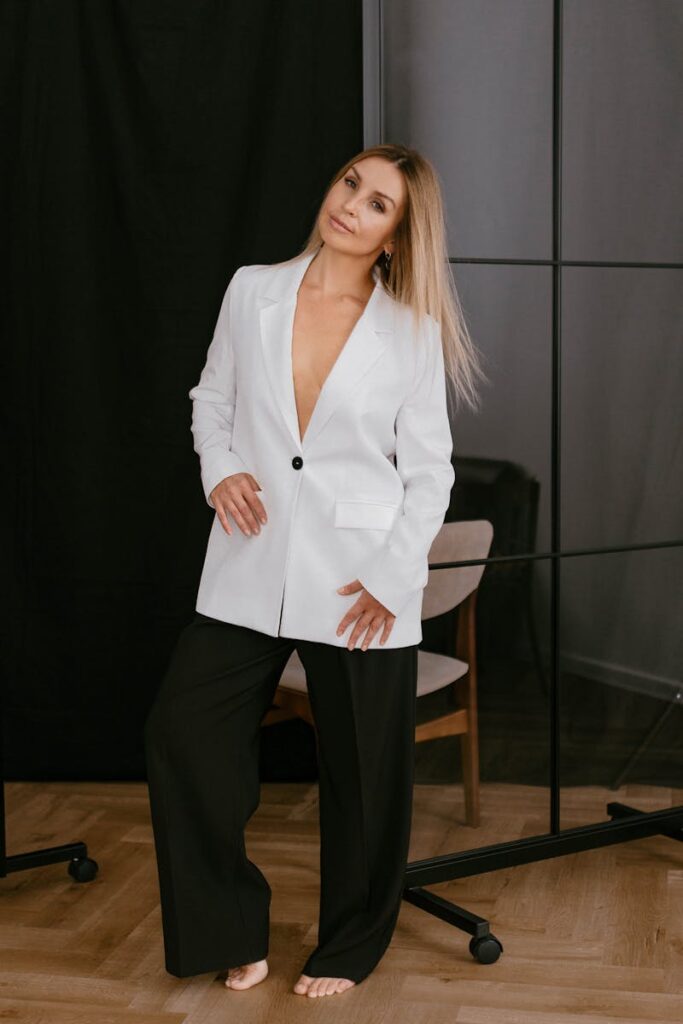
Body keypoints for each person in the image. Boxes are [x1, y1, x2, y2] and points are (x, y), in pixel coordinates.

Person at [143, 143, 486, 999]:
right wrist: (218, 467)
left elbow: (430, 471)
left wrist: (392, 576)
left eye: (377, 204)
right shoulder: (251, 289)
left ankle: (351, 943)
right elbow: (210, 402)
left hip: (358, 577)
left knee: (366, 774)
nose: (351, 206)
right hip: (250, 560)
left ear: (397, 238)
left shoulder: (411, 333)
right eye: (349, 185)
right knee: (181, 736)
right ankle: (229, 925)